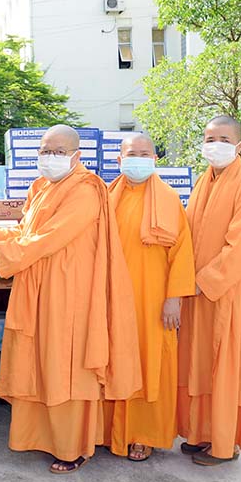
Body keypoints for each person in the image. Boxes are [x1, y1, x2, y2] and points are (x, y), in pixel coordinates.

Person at [0, 124, 141, 474]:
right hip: (38, 284)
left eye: (58, 151)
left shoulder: (86, 190)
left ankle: (72, 446)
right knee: (39, 361)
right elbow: (29, 231)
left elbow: (51, 237)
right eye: (45, 151)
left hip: (70, 292)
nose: (50, 157)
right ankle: (41, 436)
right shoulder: (41, 187)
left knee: (66, 365)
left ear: (76, 155)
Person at [177, 115, 241, 465]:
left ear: (239, 145)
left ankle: (224, 444)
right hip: (198, 293)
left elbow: (238, 248)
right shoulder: (203, 182)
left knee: (225, 367)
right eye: (210, 138)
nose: (216, 145)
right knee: (199, 363)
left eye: (224, 139)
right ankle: (201, 433)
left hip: (228, 293)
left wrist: (199, 282)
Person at [102, 134, 195, 461]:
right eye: (131, 154)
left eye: (144, 154)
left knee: (149, 364)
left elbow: (183, 252)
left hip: (152, 299)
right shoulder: (106, 196)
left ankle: (143, 435)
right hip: (112, 298)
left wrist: (175, 298)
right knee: (111, 359)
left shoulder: (168, 199)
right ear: (119, 160)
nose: (137, 159)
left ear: (155, 160)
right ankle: (110, 430)